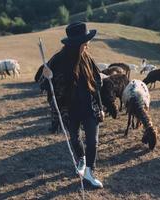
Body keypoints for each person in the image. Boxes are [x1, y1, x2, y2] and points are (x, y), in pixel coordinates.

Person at [41, 21, 104, 188]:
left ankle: (90, 173)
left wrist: (100, 105)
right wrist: (47, 76)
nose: (87, 45)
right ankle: (81, 159)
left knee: (92, 141)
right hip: (69, 109)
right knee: (75, 138)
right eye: (85, 42)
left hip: (90, 107)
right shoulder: (58, 60)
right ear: (76, 44)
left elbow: (97, 82)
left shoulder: (87, 58)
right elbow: (44, 83)